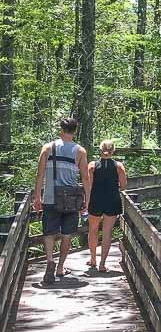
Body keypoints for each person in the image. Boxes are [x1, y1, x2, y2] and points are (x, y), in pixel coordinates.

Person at [33, 117, 91, 285]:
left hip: (50, 198)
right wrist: (87, 199)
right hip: (71, 200)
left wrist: (37, 197)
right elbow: (85, 178)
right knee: (67, 235)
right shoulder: (80, 151)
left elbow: (40, 175)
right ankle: (60, 267)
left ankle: (50, 260)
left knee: (49, 233)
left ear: (61, 130)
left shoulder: (47, 148)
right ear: (75, 131)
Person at [87, 140, 127, 272]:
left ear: (100, 150)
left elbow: (89, 186)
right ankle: (102, 264)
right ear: (113, 151)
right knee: (107, 232)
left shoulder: (92, 166)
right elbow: (123, 185)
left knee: (92, 230)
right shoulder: (118, 166)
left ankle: (93, 259)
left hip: (96, 200)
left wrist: (86, 201)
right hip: (112, 200)